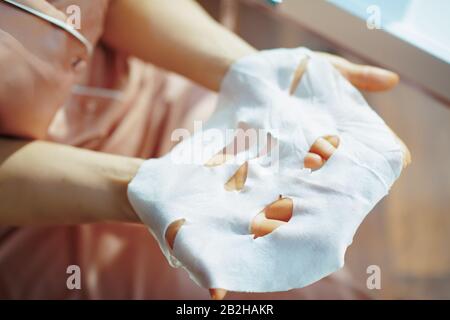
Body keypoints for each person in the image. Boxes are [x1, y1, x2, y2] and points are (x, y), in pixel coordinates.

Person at [0, 0, 410, 299]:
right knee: (251, 282)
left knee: (323, 219)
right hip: (40, 201)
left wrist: (247, 73)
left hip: (150, 82)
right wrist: (145, 188)